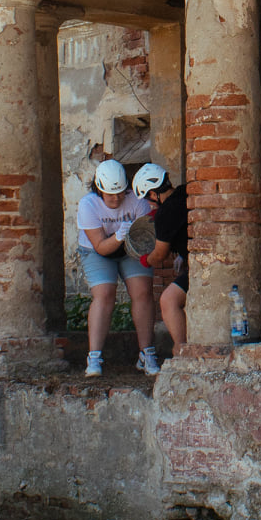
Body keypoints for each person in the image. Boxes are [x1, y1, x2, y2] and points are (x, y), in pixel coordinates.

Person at [77, 158, 158, 378]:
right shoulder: (88, 205)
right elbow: (101, 247)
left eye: (121, 192)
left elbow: (145, 239)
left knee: (142, 291)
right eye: (110, 194)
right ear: (99, 189)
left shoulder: (137, 202)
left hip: (130, 248)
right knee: (104, 294)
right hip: (98, 250)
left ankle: (147, 353)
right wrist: (119, 235)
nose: (116, 198)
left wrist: (130, 238)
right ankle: (94, 357)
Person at [133, 163, 188, 355]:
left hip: (197, 269)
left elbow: (160, 253)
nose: (149, 203)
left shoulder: (164, 214)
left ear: (153, 193)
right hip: (194, 260)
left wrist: (146, 260)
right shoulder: (184, 192)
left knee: (168, 300)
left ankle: (181, 349)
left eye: (148, 198)